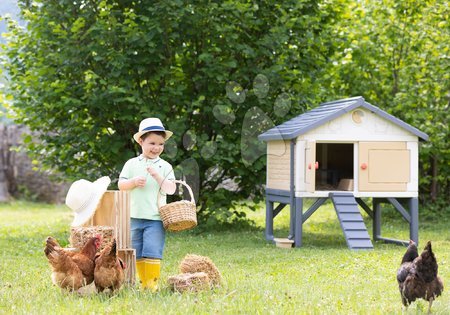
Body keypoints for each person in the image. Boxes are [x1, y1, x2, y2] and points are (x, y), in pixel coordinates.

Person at [118, 117, 176, 291]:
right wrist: (134, 182)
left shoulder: (165, 166)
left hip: (155, 217)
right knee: (137, 251)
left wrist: (157, 176)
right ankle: (143, 282)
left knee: (152, 250)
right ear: (140, 141)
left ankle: (152, 285)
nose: (156, 148)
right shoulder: (131, 164)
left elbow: (171, 189)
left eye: (160, 144)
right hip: (134, 216)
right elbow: (121, 186)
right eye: (152, 143)